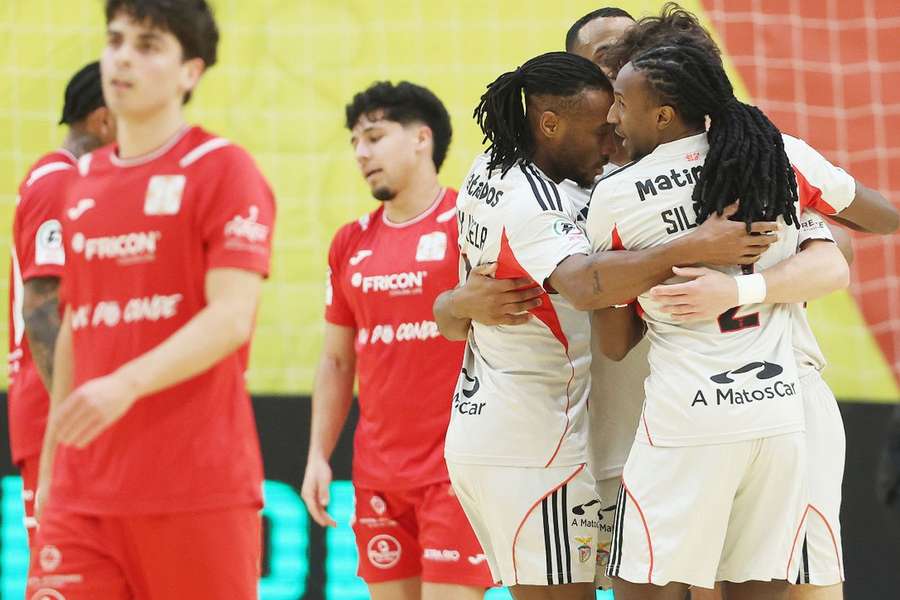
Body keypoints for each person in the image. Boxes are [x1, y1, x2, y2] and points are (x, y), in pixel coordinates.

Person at [599, 8, 899, 600]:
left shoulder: (617, 192)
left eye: (618, 93)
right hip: (779, 403)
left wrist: (680, 275)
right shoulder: (774, 159)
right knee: (785, 580)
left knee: (671, 581)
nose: (611, 114)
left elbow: (613, 339)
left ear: (660, 103)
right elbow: (868, 228)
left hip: (693, 408)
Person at [27, 1, 275, 598]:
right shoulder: (79, 184)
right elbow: (75, 330)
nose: (123, 58)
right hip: (82, 499)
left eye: (147, 45)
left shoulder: (222, 168)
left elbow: (231, 317)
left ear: (190, 71)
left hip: (195, 491)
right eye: (115, 41)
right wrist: (52, 477)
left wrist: (126, 384)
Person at [301, 80, 492, 600]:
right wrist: (318, 454)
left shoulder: (469, 225)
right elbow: (338, 362)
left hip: (456, 470)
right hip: (378, 474)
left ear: (420, 138)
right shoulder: (350, 242)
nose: (361, 153)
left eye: (375, 137)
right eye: (355, 143)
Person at [7, 61, 114, 552]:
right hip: (54, 416)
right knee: (61, 578)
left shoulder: (77, 182)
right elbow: (41, 307)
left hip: (70, 415)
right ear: (104, 120)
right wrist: (68, 424)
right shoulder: (58, 183)